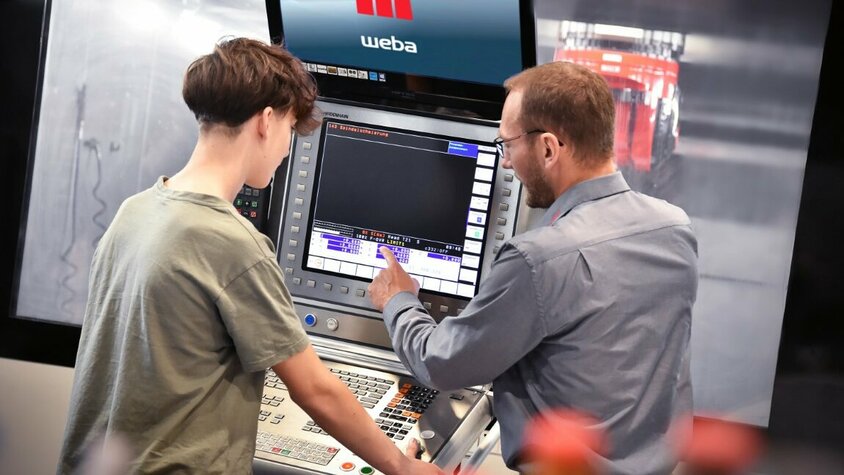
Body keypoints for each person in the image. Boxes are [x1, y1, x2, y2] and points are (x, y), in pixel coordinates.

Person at [57, 37, 442, 475]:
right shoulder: (232, 243)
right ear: (265, 121)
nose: (286, 149)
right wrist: (401, 466)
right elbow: (314, 389)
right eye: (289, 129)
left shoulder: (135, 211)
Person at [368, 61, 698, 475]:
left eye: (507, 144)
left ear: (547, 148)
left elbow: (442, 364)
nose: (506, 163)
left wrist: (397, 299)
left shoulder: (539, 259)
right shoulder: (674, 228)